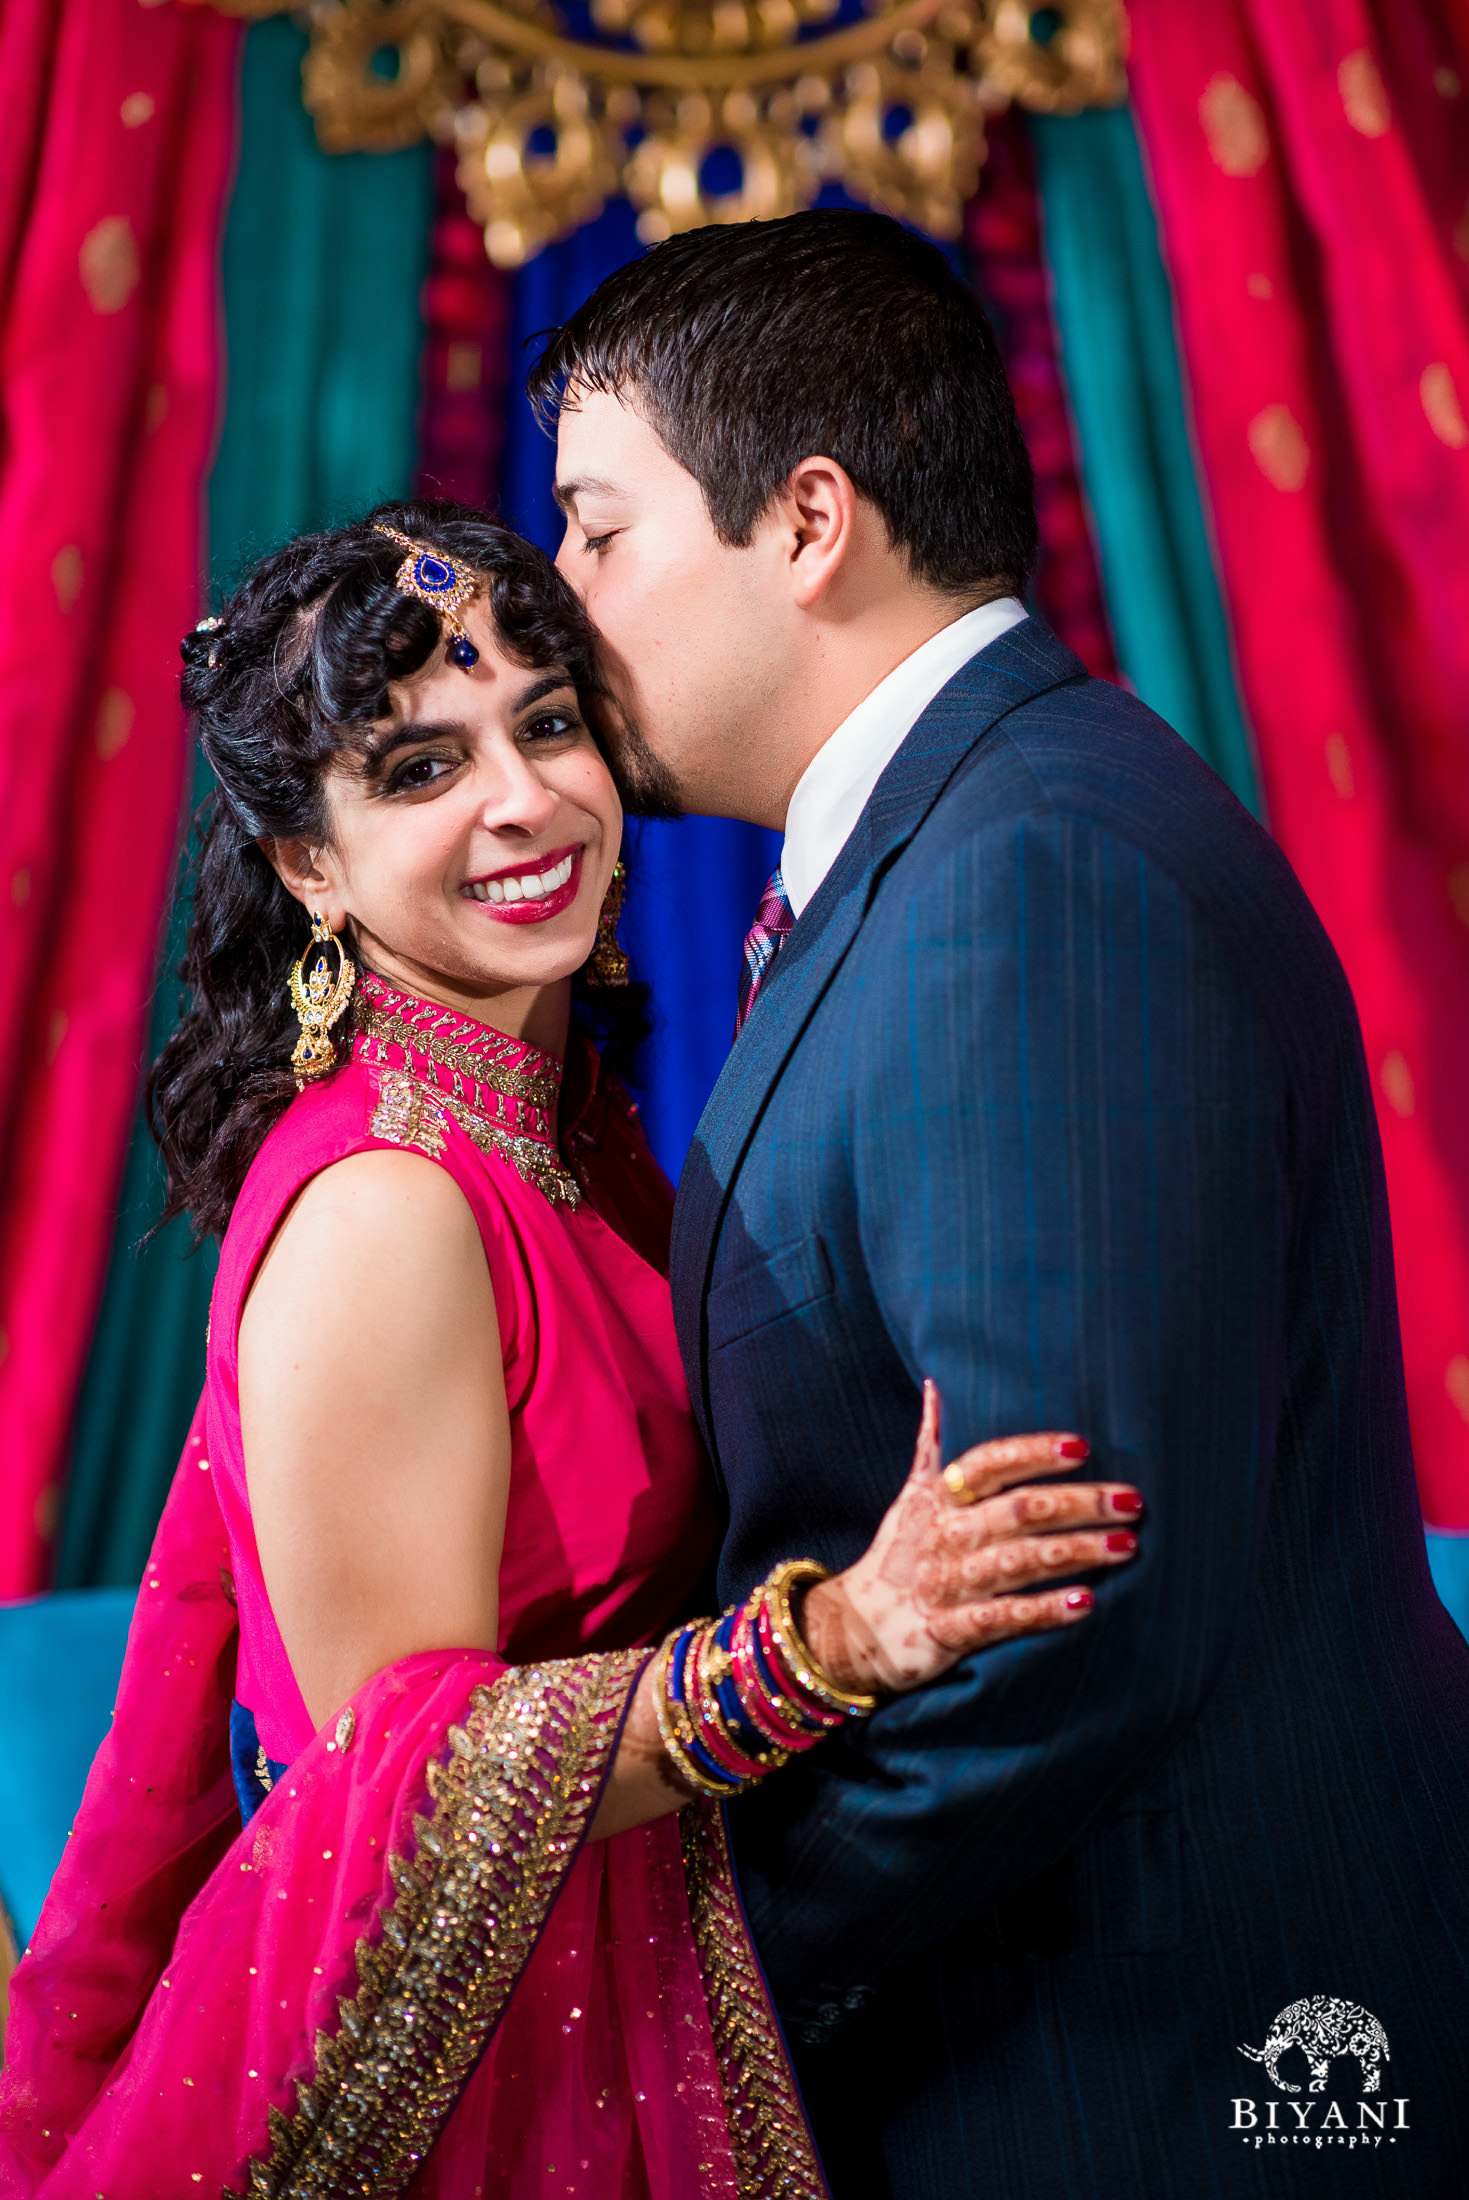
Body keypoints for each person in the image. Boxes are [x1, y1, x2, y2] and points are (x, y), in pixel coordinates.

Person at [0, 510, 1143, 2198]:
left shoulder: (554, 1134)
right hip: (473, 2064)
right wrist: (837, 1639)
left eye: (544, 723)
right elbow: (399, 1797)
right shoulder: (390, 1202)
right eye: (415, 769)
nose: (521, 800)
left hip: (624, 1962)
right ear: (306, 864)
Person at [532, 209, 1469, 2195]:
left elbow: (1068, 1592)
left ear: (806, 521)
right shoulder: (971, 837)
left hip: (1142, 2063)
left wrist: (711, 1981)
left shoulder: (1027, 876)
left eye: (598, 532)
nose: (562, 608)